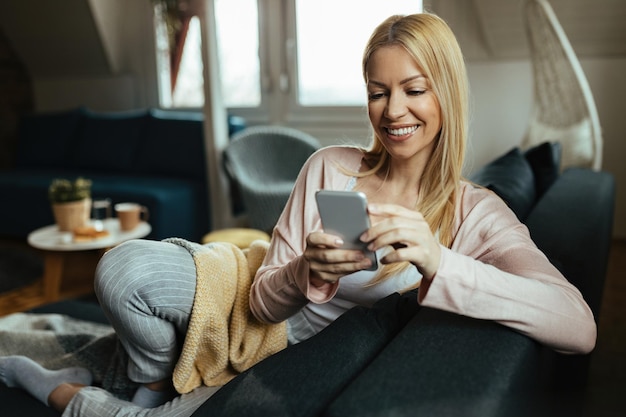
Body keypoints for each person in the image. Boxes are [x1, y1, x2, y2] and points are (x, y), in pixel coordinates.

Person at [0, 12, 596, 417]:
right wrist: (305, 270)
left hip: (296, 356)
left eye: (415, 89)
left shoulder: (476, 214)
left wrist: (441, 262)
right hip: (248, 299)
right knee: (121, 272)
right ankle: (151, 381)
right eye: (378, 91)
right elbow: (261, 301)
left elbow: (578, 325)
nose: (394, 111)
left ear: (448, 93)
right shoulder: (331, 167)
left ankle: (43, 380)